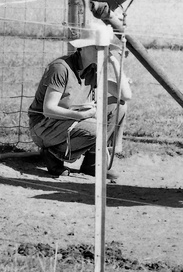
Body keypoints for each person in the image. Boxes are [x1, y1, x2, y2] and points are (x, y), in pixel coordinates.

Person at [28, 22, 133, 180]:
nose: (102, 52)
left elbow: (125, 95)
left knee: (118, 106)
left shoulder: (92, 69)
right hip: (44, 126)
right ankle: (53, 154)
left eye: (105, 48)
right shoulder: (61, 68)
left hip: (70, 121)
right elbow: (48, 109)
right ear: (83, 47)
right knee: (95, 127)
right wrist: (82, 116)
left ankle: (91, 163)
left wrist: (115, 62)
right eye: (98, 47)